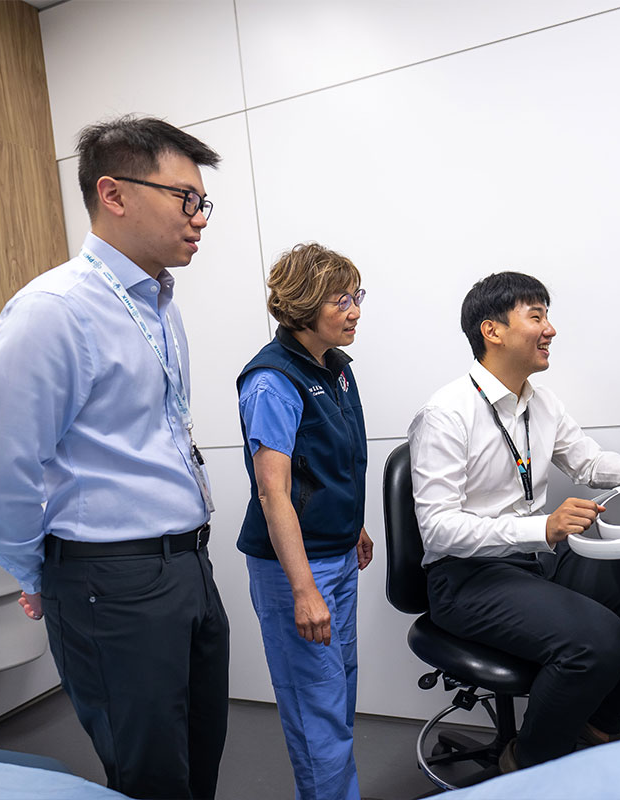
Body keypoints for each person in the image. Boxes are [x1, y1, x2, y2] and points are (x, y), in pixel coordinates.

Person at [0, 116, 229, 800]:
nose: (199, 218)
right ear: (114, 194)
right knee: (150, 776)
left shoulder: (159, 304)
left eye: (204, 202)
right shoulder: (54, 310)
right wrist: (40, 571)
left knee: (201, 758)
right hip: (111, 580)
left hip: (188, 566)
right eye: (185, 198)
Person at [407, 271, 620, 771]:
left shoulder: (540, 402)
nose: (551, 329)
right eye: (536, 316)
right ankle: (530, 762)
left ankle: (595, 724)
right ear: (492, 331)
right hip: (467, 576)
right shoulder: (445, 414)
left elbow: (588, 462)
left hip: (536, 559)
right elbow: (438, 528)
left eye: (548, 316)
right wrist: (540, 529)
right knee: (598, 640)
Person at [236, 243, 373, 800]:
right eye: (341, 300)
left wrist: (350, 523)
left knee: (337, 696)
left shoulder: (334, 367)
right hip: (297, 569)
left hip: (335, 553)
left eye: (357, 297)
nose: (355, 310)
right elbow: (274, 493)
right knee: (317, 711)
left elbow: (329, 465)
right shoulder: (272, 381)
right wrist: (303, 589)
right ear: (304, 304)